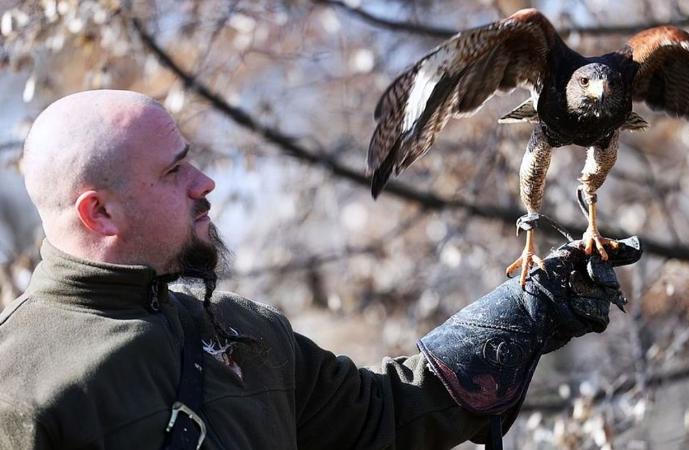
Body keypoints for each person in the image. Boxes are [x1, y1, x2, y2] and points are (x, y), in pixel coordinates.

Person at [0, 90, 641, 450]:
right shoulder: (21, 384)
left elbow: (383, 415)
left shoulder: (249, 332)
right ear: (100, 212)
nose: (205, 182)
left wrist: (526, 313)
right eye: (173, 172)